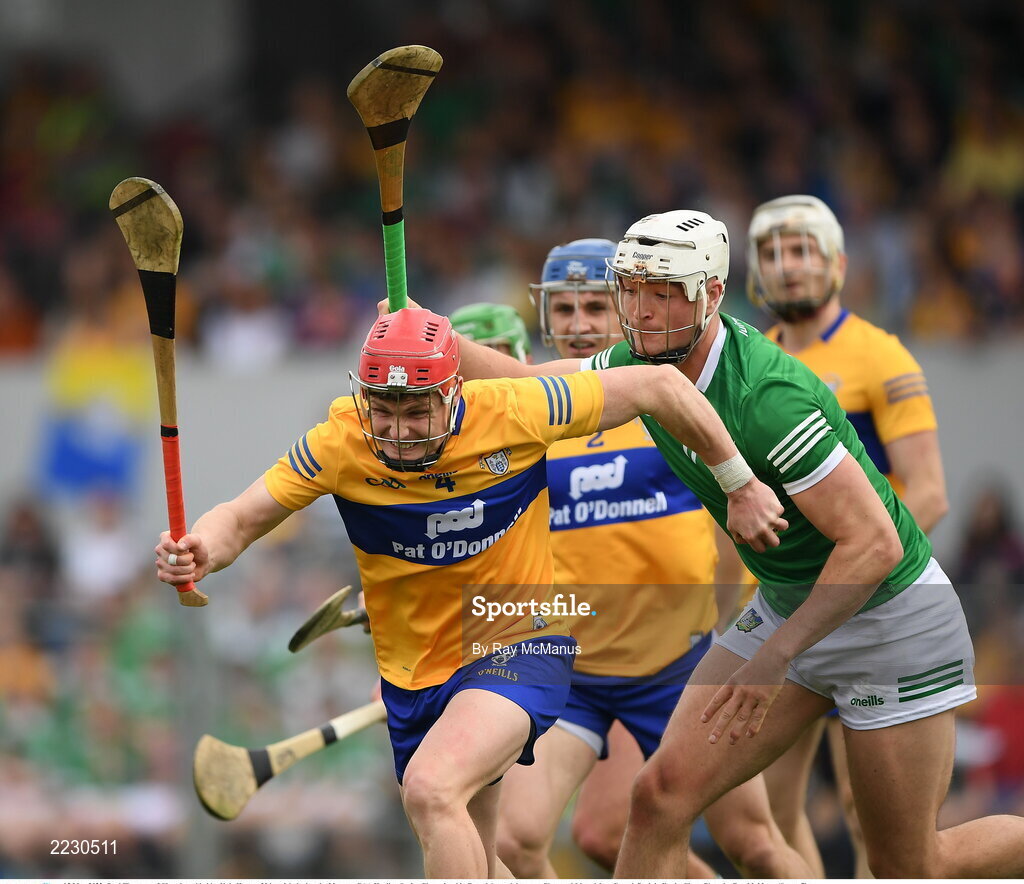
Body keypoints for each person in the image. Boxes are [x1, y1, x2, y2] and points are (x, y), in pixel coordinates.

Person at [449, 209, 1024, 877]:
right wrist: (427, 337)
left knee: (908, 867)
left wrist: (774, 656)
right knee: (659, 797)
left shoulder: (767, 397)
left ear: (711, 294)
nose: (639, 308)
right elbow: (534, 389)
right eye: (630, 288)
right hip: (790, 605)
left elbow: (876, 547)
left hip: (888, 622)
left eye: (663, 291)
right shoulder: (642, 357)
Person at [154, 306, 786, 878]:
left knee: (432, 791)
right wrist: (202, 549)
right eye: (384, 408)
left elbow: (659, 385)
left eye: (416, 409)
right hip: (414, 674)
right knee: (485, 861)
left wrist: (739, 482)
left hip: (520, 645)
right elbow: (239, 518)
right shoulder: (340, 443)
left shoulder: (514, 410)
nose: (398, 430)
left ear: (455, 393)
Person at [452, 242, 806, 878]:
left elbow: (734, 533)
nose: (581, 321)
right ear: (545, 316)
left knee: (752, 844)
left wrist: (716, 630)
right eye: (565, 306)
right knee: (515, 840)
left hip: (679, 666)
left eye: (595, 304)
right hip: (571, 673)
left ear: (621, 308)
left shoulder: (664, 399)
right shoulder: (528, 415)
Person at [747, 194, 949, 877]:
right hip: (787, 612)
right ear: (754, 274)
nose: (789, 266)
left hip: (869, 611)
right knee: (769, 812)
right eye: (773, 253)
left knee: (876, 822)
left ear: (837, 264)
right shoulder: (750, 362)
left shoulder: (882, 355)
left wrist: (851, 582)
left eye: (803, 250)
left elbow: (928, 494)